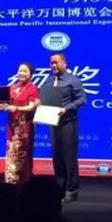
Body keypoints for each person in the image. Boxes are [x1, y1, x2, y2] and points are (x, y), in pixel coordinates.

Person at [42, 53, 86, 203]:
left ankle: (71, 190)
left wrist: (67, 108)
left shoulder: (72, 80)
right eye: (51, 63)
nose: (53, 65)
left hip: (68, 123)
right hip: (53, 123)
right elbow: (45, 101)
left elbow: (82, 99)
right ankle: (59, 189)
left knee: (69, 158)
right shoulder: (48, 81)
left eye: (56, 62)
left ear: (64, 63)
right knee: (57, 158)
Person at [0, 62, 39, 185]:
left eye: (25, 71)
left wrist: (16, 108)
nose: (22, 73)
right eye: (20, 71)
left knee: (22, 154)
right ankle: (10, 183)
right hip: (12, 126)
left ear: (30, 74)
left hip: (25, 127)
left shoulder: (32, 88)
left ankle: (24, 184)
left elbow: (31, 107)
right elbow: (3, 106)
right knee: (11, 153)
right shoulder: (12, 87)